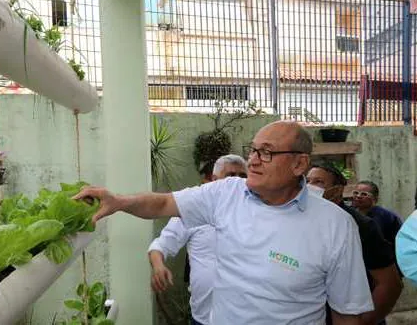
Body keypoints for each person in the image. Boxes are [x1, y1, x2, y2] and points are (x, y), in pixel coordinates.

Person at [74, 121, 373, 324]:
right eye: (253, 150)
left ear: (299, 164)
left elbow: (346, 313)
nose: (254, 160)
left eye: (267, 152)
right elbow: (164, 202)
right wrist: (119, 202)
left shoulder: (335, 225)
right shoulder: (226, 193)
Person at [149, 154, 247, 325]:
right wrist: (158, 266)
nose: (237, 182)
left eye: (242, 177)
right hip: (204, 317)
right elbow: (160, 245)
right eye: (231, 176)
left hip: (245, 316)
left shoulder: (256, 213)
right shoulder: (193, 212)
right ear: (214, 180)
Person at [307, 165, 402, 325]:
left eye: (318, 182)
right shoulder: (303, 219)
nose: (309, 187)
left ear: (337, 191)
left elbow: (390, 284)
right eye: (307, 181)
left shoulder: (360, 225)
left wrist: (365, 321)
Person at [352, 181, 403, 252]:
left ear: (375, 199)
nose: (358, 196)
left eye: (364, 194)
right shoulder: (349, 214)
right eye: (356, 193)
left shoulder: (388, 217)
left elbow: (398, 241)